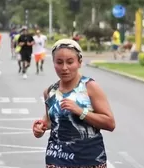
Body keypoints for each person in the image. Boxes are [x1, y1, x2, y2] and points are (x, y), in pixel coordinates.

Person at [32, 39, 115, 168]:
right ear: (53, 63)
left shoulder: (89, 87)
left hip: (89, 160)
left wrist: (81, 112)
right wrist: (40, 127)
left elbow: (110, 123)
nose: (64, 68)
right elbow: (51, 121)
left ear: (79, 62)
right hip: (57, 159)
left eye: (70, 62)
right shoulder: (50, 91)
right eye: (59, 62)